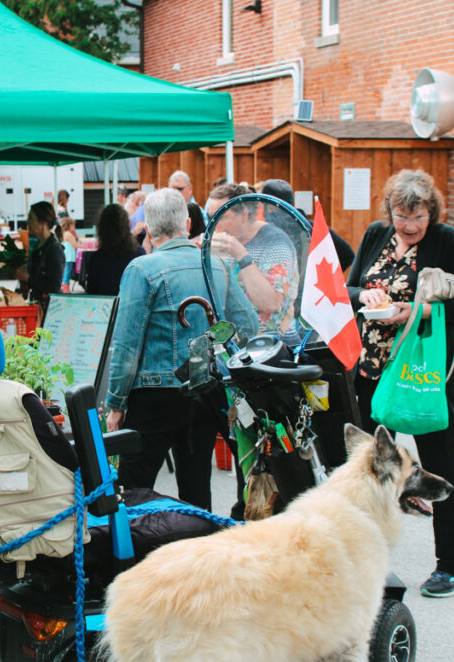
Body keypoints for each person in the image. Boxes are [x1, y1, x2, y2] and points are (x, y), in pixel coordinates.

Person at [345, 169, 454, 598]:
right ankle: (360, 560)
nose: (409, 226)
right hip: (371, 371)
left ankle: (452, 567)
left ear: (432, 212)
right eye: (401, 215)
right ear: (389, 210)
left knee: (441, 470)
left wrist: (420, 312)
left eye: (418, 217)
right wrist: (364, 297)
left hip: (422, 374)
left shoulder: (445, 241)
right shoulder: (376, 234)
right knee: (368, 471)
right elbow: (347, 286)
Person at [104, 188, 257, 511]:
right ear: (187, 224)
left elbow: (126, 344)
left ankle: (135, 557)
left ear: (147, 228)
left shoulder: (141, 269)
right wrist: (214, 347)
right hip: (205, 389)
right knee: (196, 486)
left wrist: (115, 402)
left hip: (153, 396)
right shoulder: (216, 266)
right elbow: (247, 326)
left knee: (134, 489)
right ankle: (198, 551)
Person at [206, 183, 300, 344]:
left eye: (221, 217)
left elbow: (270, 303)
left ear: (244, 213)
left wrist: (242, 255)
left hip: (273, 344)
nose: (214, 225)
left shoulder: (275, 243)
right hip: (237, 342)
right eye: (210, 218)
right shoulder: (228, 242)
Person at [83, 203, 145, 296]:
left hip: (105, 309)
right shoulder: (139, 254)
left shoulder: (95, 259)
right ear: (127, 225)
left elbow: (92, 294)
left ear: (101, 228)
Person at [16, 201, 64, 309]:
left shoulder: (54, 250)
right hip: (37, 308)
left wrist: (28, 278)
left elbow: (54, 287)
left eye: (31, 218)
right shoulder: (39, 246)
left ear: (42, 222)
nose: (28, 222)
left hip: (49, 311)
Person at [58, 216, 79, 292]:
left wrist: (75, 234)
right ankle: (66, 289)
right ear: (69, 226)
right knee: (67, 272)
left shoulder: (65, 233)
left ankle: (65, 288)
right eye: (73, 225)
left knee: (66, 272)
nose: (74, 228)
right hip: (68, 256)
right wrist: (82, 246)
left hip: (66, 256)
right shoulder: (68, 234)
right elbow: (75, 245)